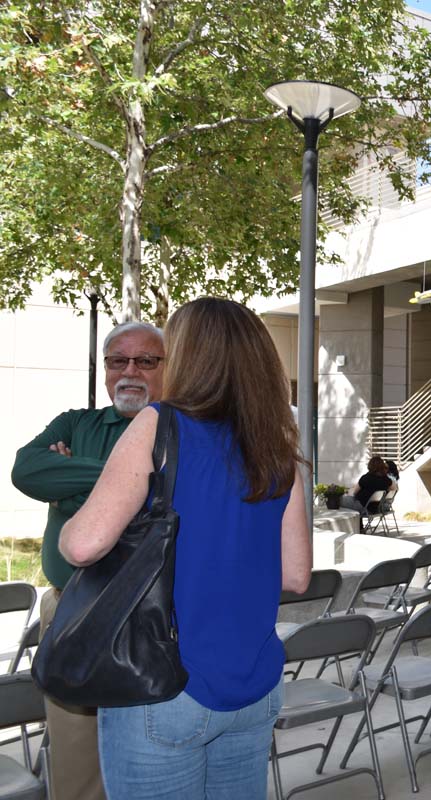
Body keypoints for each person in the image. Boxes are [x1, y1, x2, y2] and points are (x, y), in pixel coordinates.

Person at [57, 298, 313, 798]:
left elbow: (83, 545)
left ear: (189, 357)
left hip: (164, 684)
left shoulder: (158, 424)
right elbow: (296, 574)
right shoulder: (277, 442)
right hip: (255, 686)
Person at [11, 319, 166, 800]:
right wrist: (131, 478)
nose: (130, 371)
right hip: (71, 610)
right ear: (104, 370)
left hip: (154, 617)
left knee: (153, 758)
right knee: (77, 765)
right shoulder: (75, 423)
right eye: (117, 360)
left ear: (168, 367)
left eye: (145, 360)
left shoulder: (179, 430)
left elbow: (174, 501)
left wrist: (73, 489)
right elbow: (28, 469)